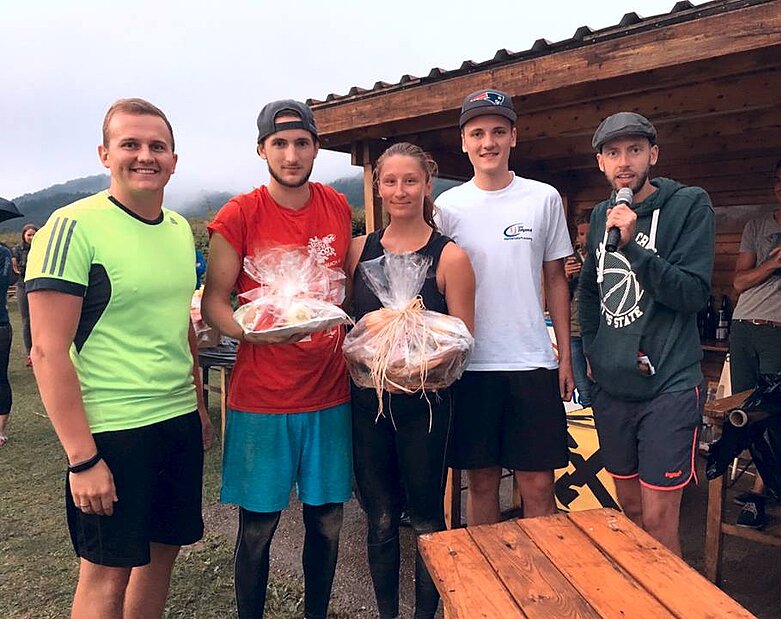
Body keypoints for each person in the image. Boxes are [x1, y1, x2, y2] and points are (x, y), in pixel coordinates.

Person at [25, 98, 212, 618]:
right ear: (105, 154)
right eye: (131, 144)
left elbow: (181, 326)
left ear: (174, 159)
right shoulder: (72, 226)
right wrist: (82, 459)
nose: (145, 156)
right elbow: (47, 349)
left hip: (175, 419)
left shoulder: (178, 229)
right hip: (112, 429)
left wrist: (198, 405)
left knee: (162, 555)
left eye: (158, 146)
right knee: (107, 573)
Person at [202, 100, 352, 619]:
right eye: (280, 144)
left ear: (316, 147)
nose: (291, 155)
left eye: (301, 143)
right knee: (259, 527)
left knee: (327, 522)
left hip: (329, 393)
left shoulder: (336, 204)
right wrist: (254, 332)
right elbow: (216, 302)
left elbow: (344, 284)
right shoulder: (239, 214)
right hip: (262, 400)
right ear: (261, 149)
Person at [347, 142, 475, 619]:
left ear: (427, 185)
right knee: (379, 517)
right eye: (390, 181)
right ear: (378, 187)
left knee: (425, 517)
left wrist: (414, 360)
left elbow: (463, 342)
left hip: (426, 407)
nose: (400, 191)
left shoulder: (450, 257)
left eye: (410, 181)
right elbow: (350, 327)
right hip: (368, 404)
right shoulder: (358, 250)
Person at [435, 89, 574, 525]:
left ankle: (541, 571)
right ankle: (486, 571)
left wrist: (565, 356)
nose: (488, 142)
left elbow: (556, 278)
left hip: (532, 360)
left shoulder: (543, 198)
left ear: (514, 136)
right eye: (477, 133)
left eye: (498, 131)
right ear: (463, 142)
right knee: (481, 483)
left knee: (539, 485)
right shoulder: (447, 207)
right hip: (471, 364)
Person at [578, 111, 715, 555]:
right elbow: (589, 289)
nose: (624, 162)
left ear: (653, 155)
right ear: (601, 162)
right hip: (614, 388)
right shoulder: (601, 215)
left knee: (659, 521)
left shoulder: (689, 205)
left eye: (635, 150)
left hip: (669, 386)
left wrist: (634, 248)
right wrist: (594, 352)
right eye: (613, 152)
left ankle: (669, 593)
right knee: (631, 513)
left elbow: (693, 294)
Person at [728, 156, 781, 529]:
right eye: (778, 179)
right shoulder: (757, 226)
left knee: (771, 411)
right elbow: (739, 281)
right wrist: (773, 262)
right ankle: (768, 484)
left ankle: (759, 492)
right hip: (744, 326)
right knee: (745, 411)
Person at [566, 215, 594, 408]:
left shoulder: (604, 256)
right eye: (581, 234)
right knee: (582, 384)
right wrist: (566, 277)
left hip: (595, 329)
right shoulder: (571, 258)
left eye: (587, 234)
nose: (583, 238)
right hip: (574, 328)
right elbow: (559, 295)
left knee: (597, 380)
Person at [12, 223, 37, 366]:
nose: (31, 237)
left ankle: (41, 351)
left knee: (39, 320)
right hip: (23, 284)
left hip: (38, 285)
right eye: (29, 235)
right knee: (26, 320)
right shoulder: (16, 250)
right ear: (24, 236)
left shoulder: (41, 248)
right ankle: (30, 354)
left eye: (34, 234)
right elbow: (15, 269)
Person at [0, 243, 14, 446]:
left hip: (0, 324)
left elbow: (5, 282)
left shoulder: (3, 253)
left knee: (0, 376)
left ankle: (0, 429)